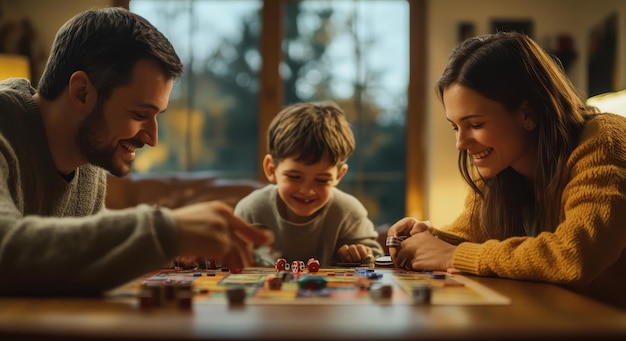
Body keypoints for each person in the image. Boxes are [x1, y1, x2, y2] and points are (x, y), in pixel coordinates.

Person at [0, 7, 272, 296]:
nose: (152, 138)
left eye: (156, 116)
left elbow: (72, 254)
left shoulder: (89, 156)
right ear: (81, 92)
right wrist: (167, 232)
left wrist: (170, 249)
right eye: (139, 113)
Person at [388, 31, 626, 310]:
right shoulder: (501, 165)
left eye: (475, 124)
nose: (461, 143)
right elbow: (473, 234)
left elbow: (573, 256)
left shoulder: (605, 140)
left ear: (527, 114)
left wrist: (454, 255)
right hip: (558, 319)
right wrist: (430, 236)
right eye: (455, 127)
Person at [234, 101, 384, 266]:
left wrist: (359, 256)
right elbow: (230, 259)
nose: (307, 190)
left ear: (339, 176)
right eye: (294, 177)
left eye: (321, 180)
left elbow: (375, 263)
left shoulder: (348, 213)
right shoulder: (251, 210)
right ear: (271, 169)